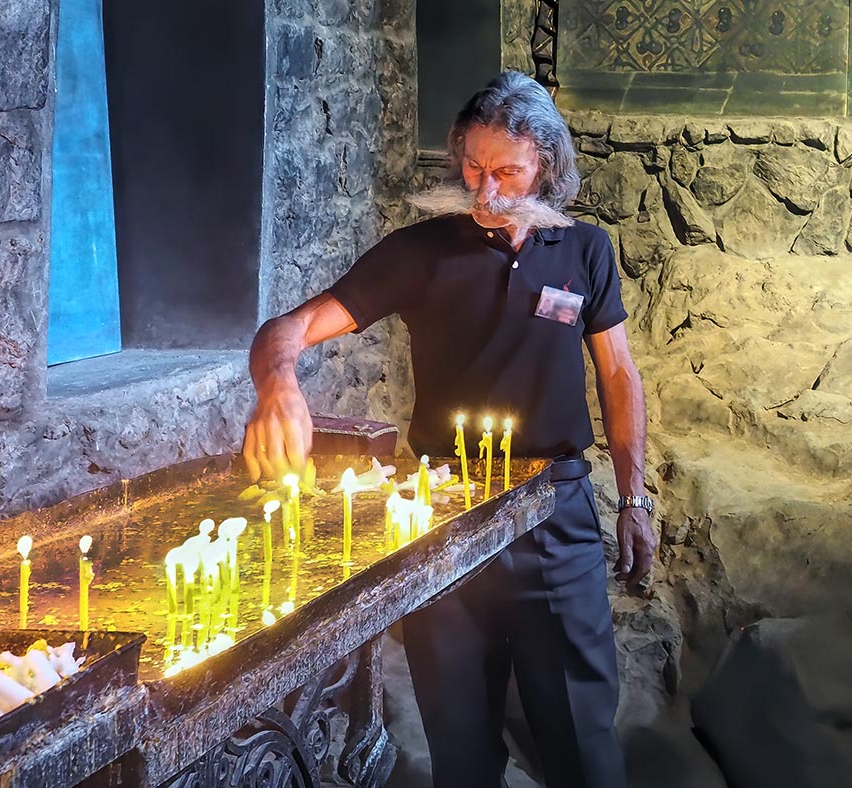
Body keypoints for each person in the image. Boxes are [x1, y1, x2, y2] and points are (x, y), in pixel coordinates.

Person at [243, 70, 656, 788]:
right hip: (443, 516)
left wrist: (635, 498)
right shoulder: (421, 251)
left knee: (582, 740)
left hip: (555, 512)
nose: (484, 190)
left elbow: (618, 377)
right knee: (459, 740)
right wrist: (277, 380)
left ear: (546, 166)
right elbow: (291, 328)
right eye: (472, 165)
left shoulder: (585, 251)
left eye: (506, 171)